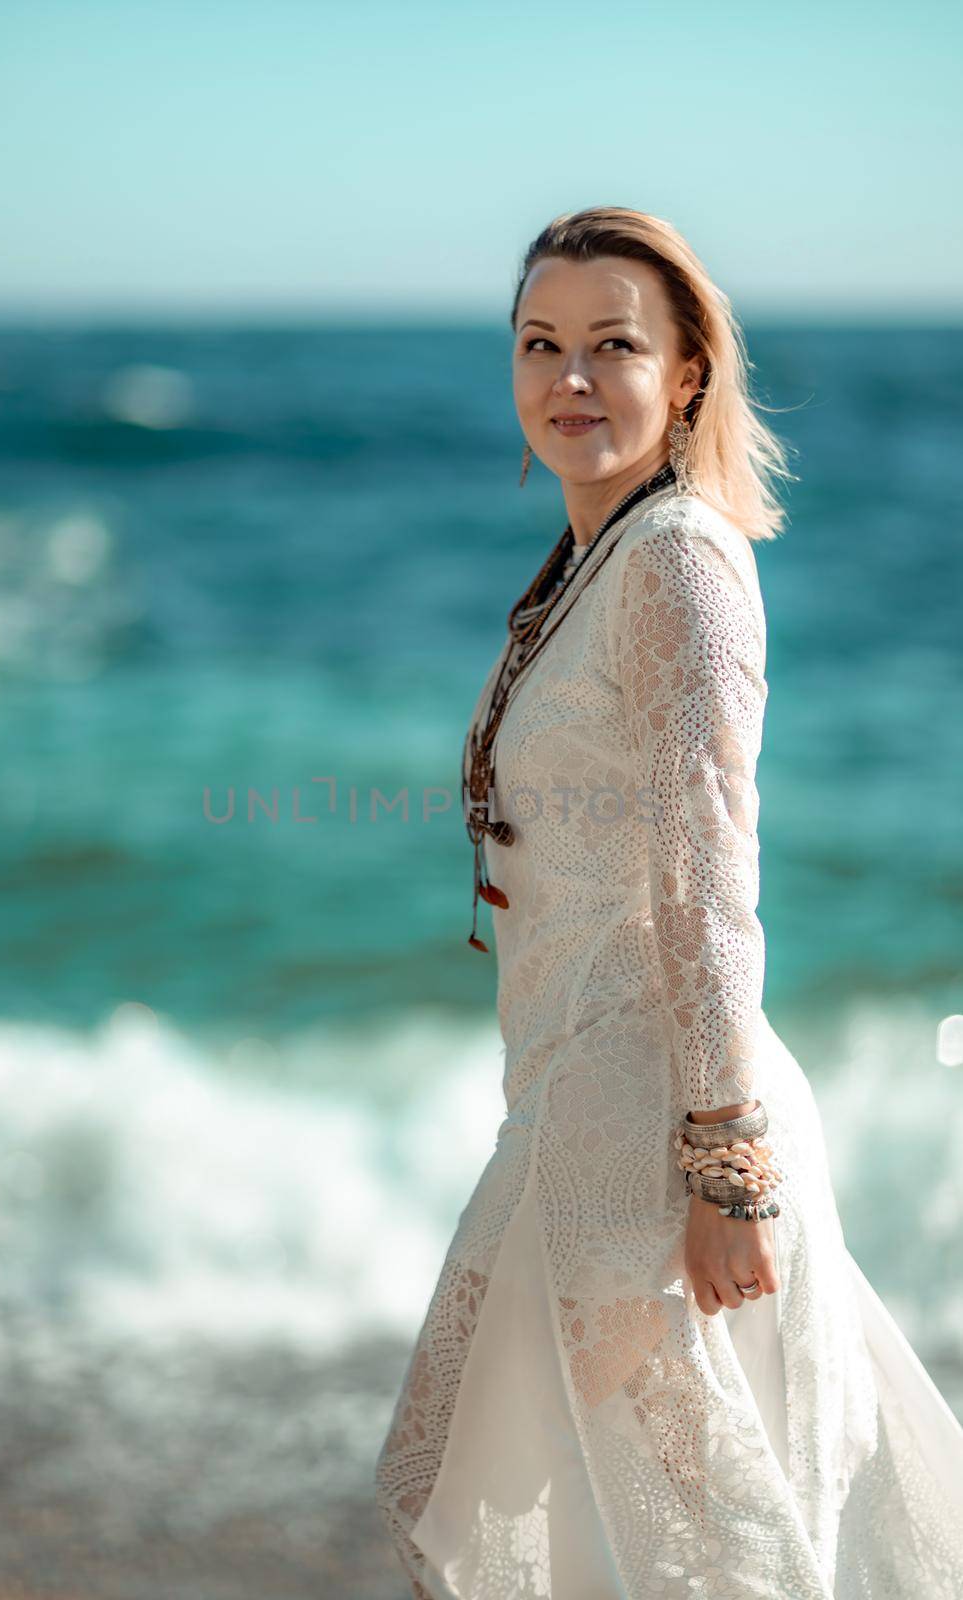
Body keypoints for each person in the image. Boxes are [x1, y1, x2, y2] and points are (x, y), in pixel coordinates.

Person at [375, 206, 963, 1599]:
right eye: (541, 343)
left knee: (661, 1544)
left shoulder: (684, 559)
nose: (570, 379)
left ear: (687, 372)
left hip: (656, 1128)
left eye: (613, 346)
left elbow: (708, 874)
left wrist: (724, 1168)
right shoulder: (593, 559)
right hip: (573, 1105)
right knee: (521, 1511)